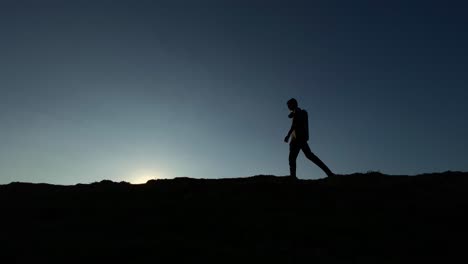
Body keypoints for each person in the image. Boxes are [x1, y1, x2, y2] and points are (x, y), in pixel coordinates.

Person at [284, 98, 334, 179]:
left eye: (289, 105)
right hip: (301, 139)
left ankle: (293, 177)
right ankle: (329, 172)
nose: (288, 107)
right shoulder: (299, 112)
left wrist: (288, 135)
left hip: (296, 139)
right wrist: (292, 113)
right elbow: (294, 117)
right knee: (310, 156)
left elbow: (294, 124)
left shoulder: (297, 112)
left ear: (293, 104)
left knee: (292, 159)